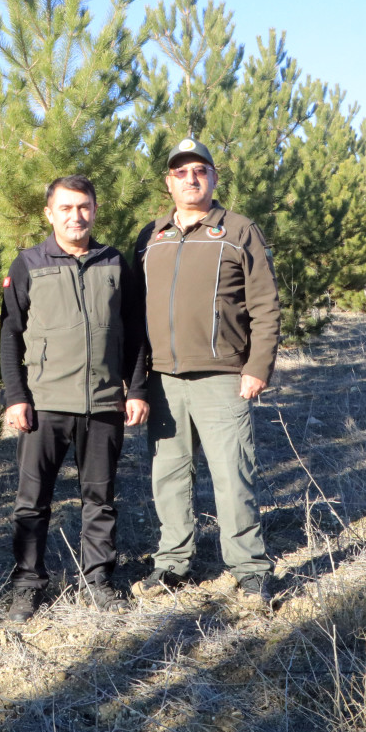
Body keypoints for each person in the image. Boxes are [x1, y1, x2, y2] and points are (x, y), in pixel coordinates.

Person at [131, 138, 281, 610]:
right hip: (163, 379)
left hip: (222, 376)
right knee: (169, 475)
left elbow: (265, 304)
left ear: (214, 178)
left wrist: (257, 367)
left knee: (232, 474)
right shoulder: (150, 236)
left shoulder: (237, 230)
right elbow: (135, 311)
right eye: (180, 172)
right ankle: (173, 564)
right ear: (168, 182)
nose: (190, 179)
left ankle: (250, 569)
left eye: (199, 170)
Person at [0, 175, 148, 622]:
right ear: (49, 213)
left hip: (104, 403)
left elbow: (135, 333)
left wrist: (136, 388)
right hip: (44, 403)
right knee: (32, 500)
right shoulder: (29, 263)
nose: (75, 216)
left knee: (99, 498)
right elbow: (10, 335)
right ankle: (27, 583)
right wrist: (15, 396)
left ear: (95, 210)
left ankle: (99, 579)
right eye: (64, 208)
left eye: (82, 207)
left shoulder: (115, 263)